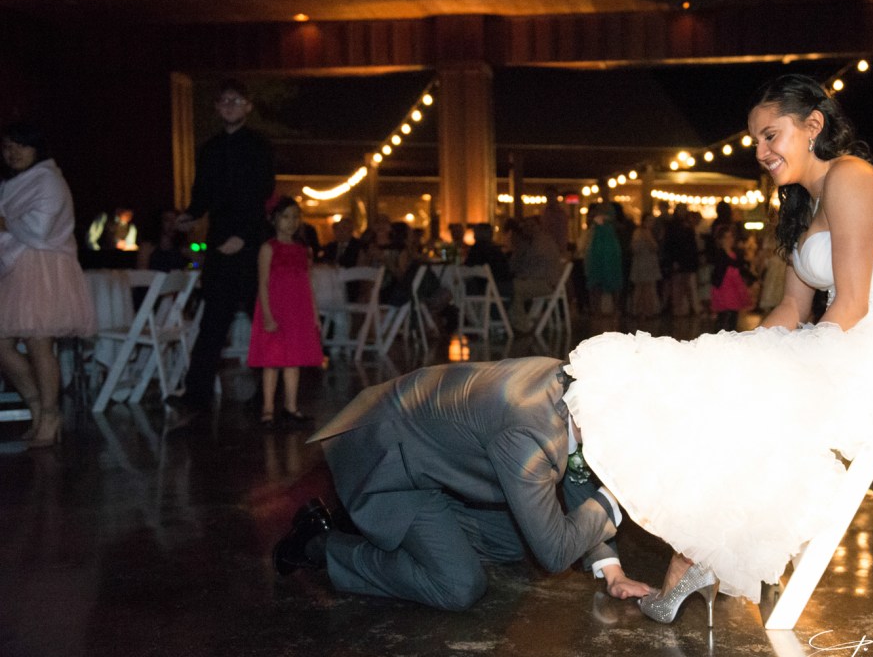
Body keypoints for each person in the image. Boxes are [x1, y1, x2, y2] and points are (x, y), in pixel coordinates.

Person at [562, 75, 873, 624]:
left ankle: (690, 561)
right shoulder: (805, 204)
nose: (761, 152)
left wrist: (771, 365)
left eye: (771, 135)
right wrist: (733, 350)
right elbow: (791, 309)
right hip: (843, 340)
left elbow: (853, 304)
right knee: (709, 375)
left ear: (813, 125)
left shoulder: (851, 176)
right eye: (756, 141)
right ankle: (693, 556)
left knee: (737, 396)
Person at [274, 357, 653, 611]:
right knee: (459, 586)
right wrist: (615, 495)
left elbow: (576, 473)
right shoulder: (531, 433)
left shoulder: (573, 387)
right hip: (383, 460)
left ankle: (405, 534)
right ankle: (320, 544)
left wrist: (612, 572)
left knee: (512, 541)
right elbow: (554, 554)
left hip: (431, 455)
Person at [171, 79, 275, 412]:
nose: (229, 106)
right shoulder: (210, 149)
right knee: (213, 320)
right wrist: (190, 215)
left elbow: (261, 193)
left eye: (236, 100)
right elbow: (202, 192)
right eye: (224, 101)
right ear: (217, 107)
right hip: (219, 242)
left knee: (261, 316)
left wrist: (242, 236)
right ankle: (196, 394)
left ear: (248, 106)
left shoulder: (258, 146)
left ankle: (270, 395)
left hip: (250, 243)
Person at [0, 122, 96, 447]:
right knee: (3, 345)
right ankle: (38, 406)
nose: (13, 152)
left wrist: (5, 223)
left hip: (43, 267)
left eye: (21, 145)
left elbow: (40, 230)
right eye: (8, 146)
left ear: (36, 149)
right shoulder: (11, 183)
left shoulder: (48, 180)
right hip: (16, 266)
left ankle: (51, 414)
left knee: (39, 343)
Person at [247, 197, 321, 428]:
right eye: (286, 217)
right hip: (276, 309)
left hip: (298, 310)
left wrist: (314, 314)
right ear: (274, 219)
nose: (291, 222)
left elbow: (308, 284)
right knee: (272, 360)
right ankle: (268, 409)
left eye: (295, 217)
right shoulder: (268, 248)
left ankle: (291, 407)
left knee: (294, 360)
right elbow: (262, 283)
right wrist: (267, 315)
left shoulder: (303, 250)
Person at [508, 216, 562, 333]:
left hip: (546, 283)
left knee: (513, 288)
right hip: (539, 281)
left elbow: (534, 266)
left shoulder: (542, 243)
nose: (529, 228)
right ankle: (517, 324)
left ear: (540, 226)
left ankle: (521, 326)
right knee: (512, 288)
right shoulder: (531, 242)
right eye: (527, 226)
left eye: (532, 225)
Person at [708, 222, 754, 332]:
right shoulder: (720, 254)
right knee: (724, 316)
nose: (729, 240)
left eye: (731, 237)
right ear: (721, 240)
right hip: (723, 288)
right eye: (726, 237)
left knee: (733, 315)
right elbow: (724, 267)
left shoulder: (735, 254)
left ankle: (730, 338)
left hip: (735, 288)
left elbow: (740, 267)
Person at [629, 213, 662, 319]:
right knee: (641, 288)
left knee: (649, 287)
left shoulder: (652, 233)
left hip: (649, 262)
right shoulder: (638, 233)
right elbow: (635, 248)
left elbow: (655, 248)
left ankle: (648, 310)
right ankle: (639, 310)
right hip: (641, 262)